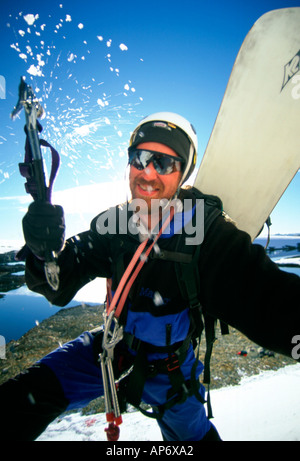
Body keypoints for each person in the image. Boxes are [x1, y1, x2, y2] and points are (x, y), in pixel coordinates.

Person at [0, 112, 299, 441]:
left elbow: (268, 300)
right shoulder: (113, 226)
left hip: (173, 370)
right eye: (139, 158)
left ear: (182, 173)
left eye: (164, 163)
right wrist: (44, 252)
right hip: (112, 350)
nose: (147, 173)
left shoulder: (207, 231)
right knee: (22, 398)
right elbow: (59, 283)